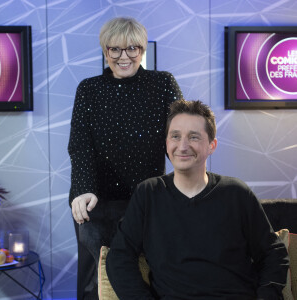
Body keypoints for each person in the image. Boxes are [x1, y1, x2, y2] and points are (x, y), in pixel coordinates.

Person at [106, 99, 289, 300]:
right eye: (175, 136)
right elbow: (119, 257)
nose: (182, 146)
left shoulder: (236, 193)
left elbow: (273, 253)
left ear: (212, 145)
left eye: (193, 137)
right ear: (167, 142)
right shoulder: (148, 194)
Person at [68, 17, 183, 299]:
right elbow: (80, 145)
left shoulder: (162, 83)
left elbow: (181, 134)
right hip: (96, 201)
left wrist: (185, 185)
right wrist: (83, 189)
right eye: (115, 49)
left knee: (146, 275)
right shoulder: (89, 89)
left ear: (142, 50)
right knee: (95, 280)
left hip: (146, 200)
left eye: (132, 48)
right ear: (105, 51)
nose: (124, 57)